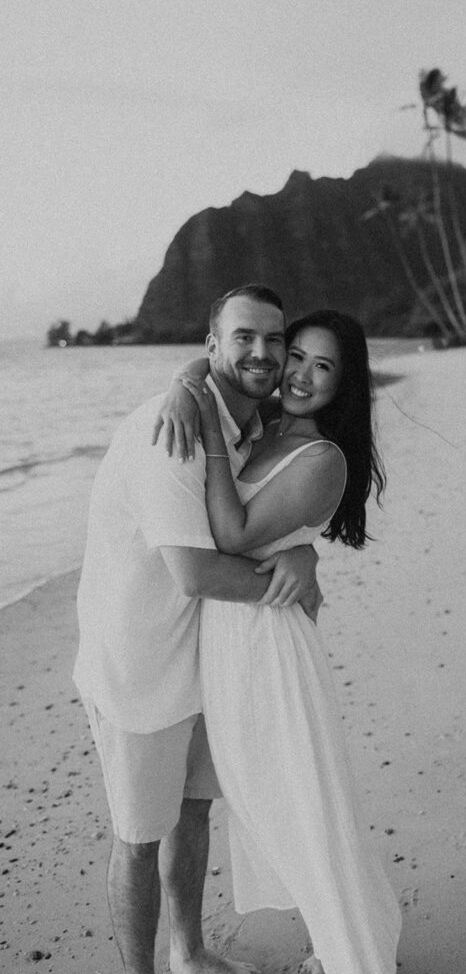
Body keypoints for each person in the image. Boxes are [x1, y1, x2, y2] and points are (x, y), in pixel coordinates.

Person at [74, 284, 322, 974]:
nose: (262, 352)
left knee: (192, 811)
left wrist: (297, 550)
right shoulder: (173, 430)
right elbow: (195, 573)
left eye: (275, 340)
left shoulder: (248, 424)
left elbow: (253, 523)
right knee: (137, 838)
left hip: (206, 657)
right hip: (139, 664)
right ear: (211, 345)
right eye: (243, 336)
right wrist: (289, 586)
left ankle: (189, 953)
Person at [159, 309, 401, 974]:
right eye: (296, 355)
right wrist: (186, 387)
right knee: (264, 800)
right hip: (228, 633)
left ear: (343, 385)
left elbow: (234, 535)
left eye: (322, 367)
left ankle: (352, 955)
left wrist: (205, 424)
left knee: (302, 804)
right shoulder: (264, 425)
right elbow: (204, 370)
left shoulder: (322, 458)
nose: (299, 374)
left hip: (268, 644)